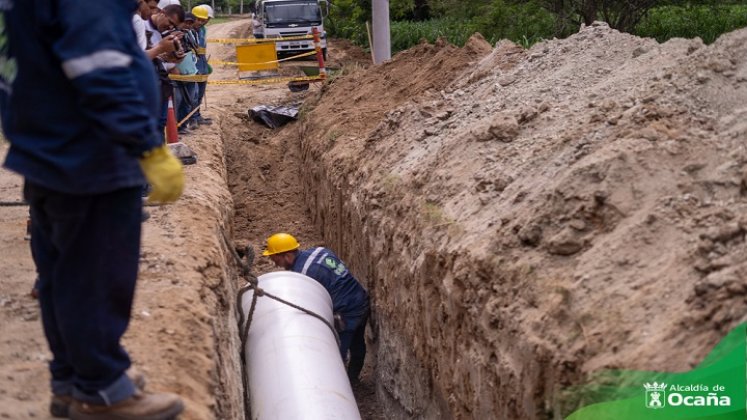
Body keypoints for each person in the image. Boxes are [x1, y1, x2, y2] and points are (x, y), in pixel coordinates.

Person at [0, 1, 185, 419]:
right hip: (92, 156)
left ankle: (72, 379)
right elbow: (100, 67)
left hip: (49, 150)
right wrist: (147, 145)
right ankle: (102, 390)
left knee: (61, 277)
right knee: (96, 278)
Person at [263, 233, 370, 382]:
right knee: (357, 343)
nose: (276, 265)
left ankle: (337, 386)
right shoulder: (320, 251)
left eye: (276, 260)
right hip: (361, 298)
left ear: (287, 256)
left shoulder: (304, 275)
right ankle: (353, 379)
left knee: (337, 352)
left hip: (346, 312)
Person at [192, 5, 213, 126]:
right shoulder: (189, 30)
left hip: (202, 65)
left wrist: (205, 66)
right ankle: (192, 118)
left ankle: (197, 116)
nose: (202, 22)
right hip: (194, 66)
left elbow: (203, 49)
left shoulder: (202, 30)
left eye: (204, 19)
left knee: (200, 93)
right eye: (198, 19)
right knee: (193, 94)